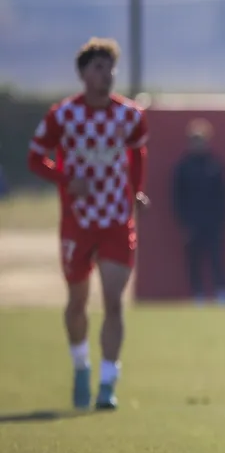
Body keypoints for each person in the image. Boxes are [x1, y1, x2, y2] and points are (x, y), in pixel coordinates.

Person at [27, 37, 149, 410]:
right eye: (98, 67)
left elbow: (138, 153)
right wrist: (65, 179)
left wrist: (136, 192)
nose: (106, 74)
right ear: (83, 74)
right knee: (77, 301)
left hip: (115, 219)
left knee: (113, 301)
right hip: (78, 222)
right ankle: (81, 366)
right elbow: (36, 159)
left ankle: (108, 382)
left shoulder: (129, 114)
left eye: (110, 67)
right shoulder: (63, 115)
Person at [172, 118, 225, 304]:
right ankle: (197, 293)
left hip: (213, 222)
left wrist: (221, 219)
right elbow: (177, 197)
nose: (198, 144)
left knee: (216, 257)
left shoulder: (215, 165)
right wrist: (183, 221)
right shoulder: (184, 167)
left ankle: (221, 291)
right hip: (192, 222)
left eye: (201, 139)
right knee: (194, 259)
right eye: (195, 140)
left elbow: (223, 195)